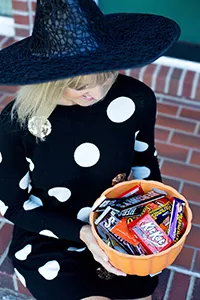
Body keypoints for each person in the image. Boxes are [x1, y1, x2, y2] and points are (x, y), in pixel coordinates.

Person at [0, 0, 180, 299]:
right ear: (50, 77)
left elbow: (145, 162)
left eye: (106, 74)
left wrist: (157, 214)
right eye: (80, 85)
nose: (96, 94)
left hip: (124, 223)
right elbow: (12, 205)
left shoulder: (137, 98)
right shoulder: (16, 122)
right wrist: (84, 233)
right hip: (50, 232)